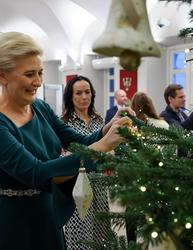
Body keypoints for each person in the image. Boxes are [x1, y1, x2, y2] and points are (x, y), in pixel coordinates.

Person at [0, 31, 133, 250]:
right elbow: (37, 173)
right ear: (3, 76)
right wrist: (102, 146)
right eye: (29, 74)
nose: (38, 82)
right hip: (16, 223)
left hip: (48, 215)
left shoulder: (40, 108)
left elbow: (78, 141)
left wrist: (107, 129)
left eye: (41, 73)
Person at [61, 75, 109, 249]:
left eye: (87, 92)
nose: (84, 97)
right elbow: (63, 155)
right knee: (80, 231)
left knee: (101, 230)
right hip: (78, 183)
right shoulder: (64, 123)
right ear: (70, 97)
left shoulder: (99, 120)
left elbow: (106, 148)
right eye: (78, 93)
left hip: (100, 181)